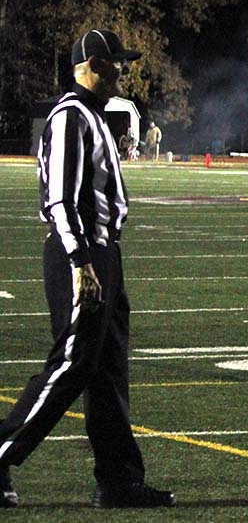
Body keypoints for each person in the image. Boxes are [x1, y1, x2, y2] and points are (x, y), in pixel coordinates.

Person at [0, 29, 174, 509]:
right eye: (117, 62)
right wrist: (81, 261)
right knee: (72, 364)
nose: (124, 70)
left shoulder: (94, 117)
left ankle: (119, 481)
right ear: (94, 64)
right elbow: (59, 198)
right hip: (81, 253)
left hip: (103, 253)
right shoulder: (71, 117)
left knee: (109, 368)